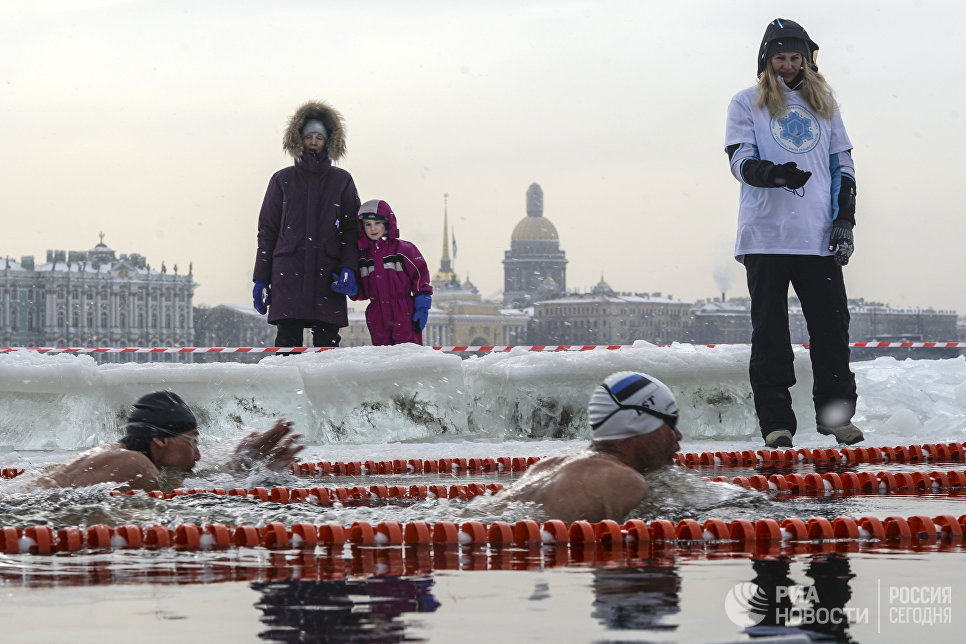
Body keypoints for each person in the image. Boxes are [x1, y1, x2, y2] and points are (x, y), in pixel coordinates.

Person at [725, 18, 863, 449]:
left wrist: (844, 221)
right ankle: (776, 423)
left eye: (795, 58)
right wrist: (773, 175)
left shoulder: (824, 105)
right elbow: (739, 160)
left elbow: (843, 165)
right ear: (767, 60)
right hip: (765, 236)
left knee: (831, 328)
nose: (788, 65)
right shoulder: (746, 102)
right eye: (780, 58)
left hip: (816, 238)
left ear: (806, 60)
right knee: (770, 333)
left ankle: (835, 416)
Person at [488, 371, 682, 523]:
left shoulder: (545, 467)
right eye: (671, 423)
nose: (678, 436)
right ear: (638, 423)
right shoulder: (624, 481)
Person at [33, 391, 304, 492]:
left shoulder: (117, 454)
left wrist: (242, 465)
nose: (197, 455)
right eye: (191, 442)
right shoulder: (137, 466)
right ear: (160, 441)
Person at [253, 100, 361, 349]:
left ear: (329, 141)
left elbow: (352, 231)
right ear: (298, 140)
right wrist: (261, 277)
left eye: (319, 137)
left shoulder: (342, 181)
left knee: (327, 351)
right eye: (308, 136)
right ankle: (286, 389)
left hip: (328, 275)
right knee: (287, 349)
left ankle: (325, 390)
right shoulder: (282, 180)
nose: (313, 142)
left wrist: (349, 267)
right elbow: (267, 230)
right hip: (288, 274)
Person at [351, 199, 433, 346]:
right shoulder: (363, 257)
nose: (373, 228)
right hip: (377, 314)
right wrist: (353, 290)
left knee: (408, 352)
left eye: (377, 223)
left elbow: (420, 275)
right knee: (384, 356)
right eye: (368, 225)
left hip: (404, 310)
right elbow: (363, 292)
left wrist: (422, 302)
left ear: (387, 223)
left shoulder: (404, 250)